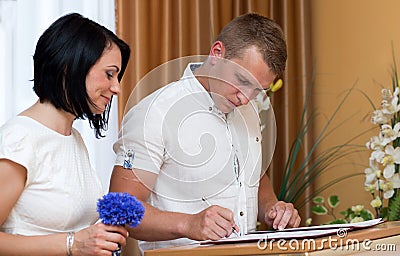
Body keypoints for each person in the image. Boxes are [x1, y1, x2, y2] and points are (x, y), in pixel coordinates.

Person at [110, 13, 301, 252]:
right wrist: (188, 223)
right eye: (242, 80)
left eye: (258, 90)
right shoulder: (154, 113)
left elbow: (253, 176)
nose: (245, 98)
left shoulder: (248, 111)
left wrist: (273, 208)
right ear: (217, 53)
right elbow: (121, 209)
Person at [0, 13, 131, 255]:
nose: (117, 88)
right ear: (69, 66)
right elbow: (73, 240)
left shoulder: (74, 139)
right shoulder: (20, 139)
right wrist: (74, 244)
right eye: (109, 74)